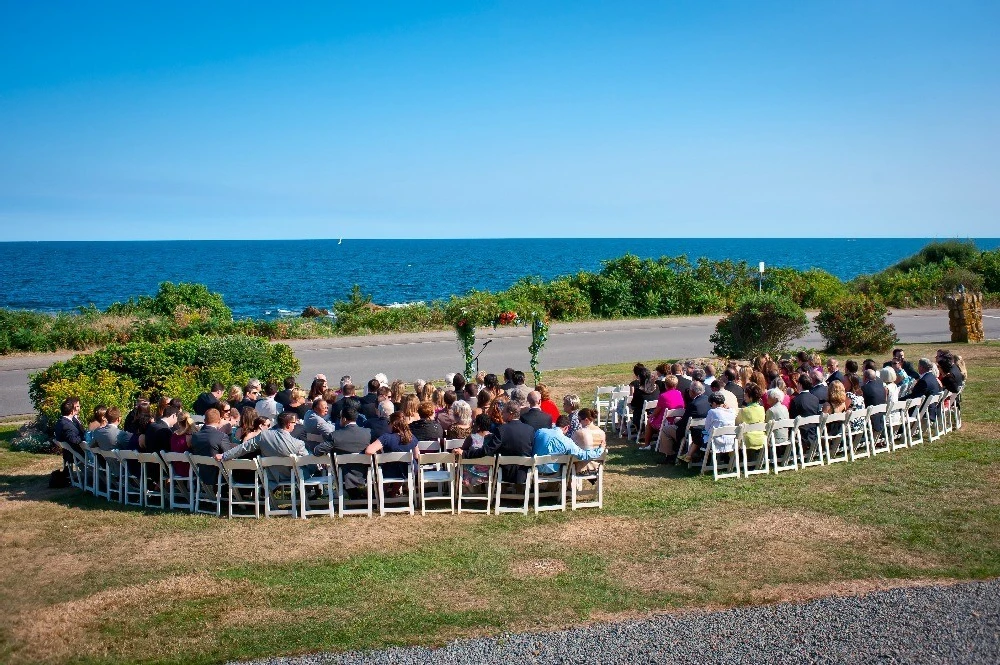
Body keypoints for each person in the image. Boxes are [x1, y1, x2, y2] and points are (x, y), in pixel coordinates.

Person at [220, 412, 312, 483]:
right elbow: (308, 461)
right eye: (294, 423)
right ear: (288, 424)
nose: (295, 425)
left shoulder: (264, 436)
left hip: (271, 477)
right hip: (293, 477)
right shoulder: (298, 443)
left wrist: (224, 455)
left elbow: (244, 447)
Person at [460, 401, 535, 484]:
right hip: (524, 473)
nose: (502, 413)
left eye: (504, 411)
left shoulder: (501, 430)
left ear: (510, 414)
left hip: (504, 474)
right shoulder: (530, 430)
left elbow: (487, 450)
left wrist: (464, 453)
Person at [313, 406, 372, 492]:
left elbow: (317, 451)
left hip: (344, 475)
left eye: (340, 417)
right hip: (366, 473)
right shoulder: (368, 433)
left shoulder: (336, 435)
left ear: (344, 419)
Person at [531, 415, 606, 474]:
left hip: (534, 468)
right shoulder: (567, 441)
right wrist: (600, 450)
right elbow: (583, 455)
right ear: (567, 427)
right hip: (553, 473)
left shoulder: (540, 432)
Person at [364, 411, 420, 484]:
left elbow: (369, 451)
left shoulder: (386, 438)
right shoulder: (412, 437)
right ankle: (393, 493)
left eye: (388, 423)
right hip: (408, 472)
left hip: (389, 472)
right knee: (401, 466)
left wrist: (379, 453)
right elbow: (416, 455)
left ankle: (384, 493)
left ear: (392, 424)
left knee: (390, 467)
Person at [681, 392, 734, 463]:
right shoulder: (731, 412)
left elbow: (707, 428)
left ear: (714, 403)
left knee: (698, 434)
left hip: (715, 442)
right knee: (700, 435)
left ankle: (689, 455)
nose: (711, 406)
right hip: (730, 442)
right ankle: (689, 455)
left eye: (710, 404)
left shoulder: (712, 412)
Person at [191, 408, 232, 485]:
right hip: (218, 476)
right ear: (219, 420)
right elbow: (229, 455)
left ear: (204, 420)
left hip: (200, 475)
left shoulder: (195, 436)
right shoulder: (222, 436)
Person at [645, 375, 684, 447]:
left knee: (650, 421)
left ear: (665, 385)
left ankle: (647, 444)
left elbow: (657, 410)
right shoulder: (679, 393)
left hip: (666, 422)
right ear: (676, 385)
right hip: (676, 420)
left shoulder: (663, 396)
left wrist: (651, 415)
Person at [460, 414, 495, 489]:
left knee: (458, 467)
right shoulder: (494, 438)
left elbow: (462, 452)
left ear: (477, 424)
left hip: (472, 472)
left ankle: (468, 489)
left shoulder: (472, 438)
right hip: (488, 473)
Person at [571, 408, 606, 474]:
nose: (579, 422)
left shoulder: (580, 433)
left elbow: (570, 447)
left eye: (579, 420)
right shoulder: (602, 433)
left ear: (586, 420)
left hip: (582, 468)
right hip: (597, 467)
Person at [735, 383, 766, 453]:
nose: (744, 397)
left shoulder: (744, 410)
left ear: (751, 398)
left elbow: (737, 425)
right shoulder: (762, 409)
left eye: (745, 395)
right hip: (761, 439)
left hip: (748, 441)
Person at [629, 364, 658, 433]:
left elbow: (633, 405)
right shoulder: (656, 388)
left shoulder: (639, 391)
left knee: (636, 411)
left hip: (642, 416)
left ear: (639, 378)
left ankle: (641, 432)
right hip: (655, 413)